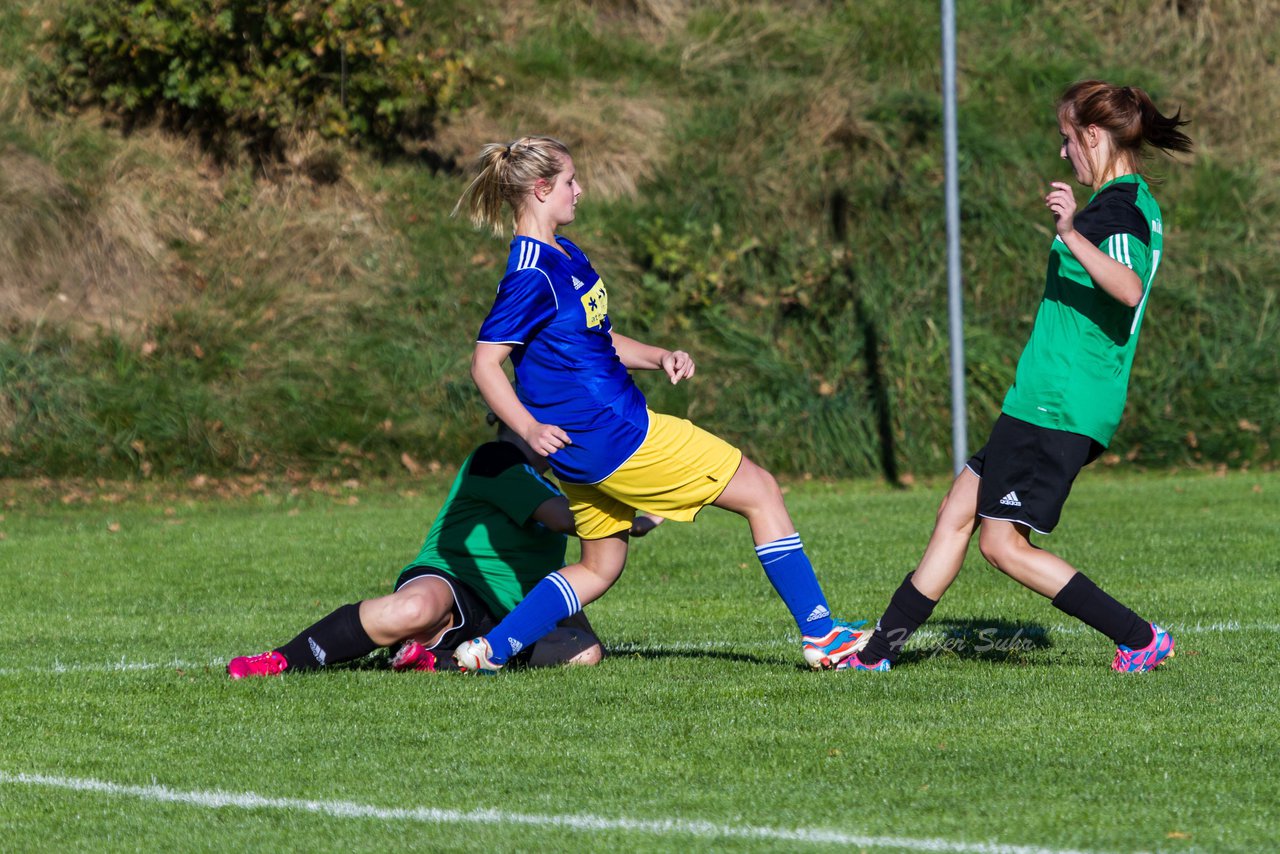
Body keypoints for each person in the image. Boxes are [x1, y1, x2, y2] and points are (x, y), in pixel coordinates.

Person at [447, 135, 866, 675]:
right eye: (571, 181)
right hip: (618, 434)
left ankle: (490, 650)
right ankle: (823, 636)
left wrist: (659, 355)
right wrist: (527, 428)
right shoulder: (532, 274)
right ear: (542, 188)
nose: (581, 190)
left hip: (584, 445)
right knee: (762, 491)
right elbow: (486, 362)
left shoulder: (565, 255)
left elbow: (597, 339)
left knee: (600, 567)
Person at [842, 80, 1192, 673]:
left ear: (1092, 135)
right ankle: (877, 654)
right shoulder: (1126, 204)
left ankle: (1139, 638)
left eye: (1066, 139)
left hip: (1061, 403)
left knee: (1000, 544)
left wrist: (1071, 234)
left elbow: (1128, 289)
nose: (1063, 153)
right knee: (956, 510)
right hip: (1042, 399)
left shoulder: (1120, 208)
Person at [226, 415, 614, 678]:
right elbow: (564, 519)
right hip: (451, 584)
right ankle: (282, 659)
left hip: (500, 619)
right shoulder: (495, 458)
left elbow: (563, 573)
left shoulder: (552, 486)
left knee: (583, 652)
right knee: (416, 608)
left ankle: (436, 661)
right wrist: (629, 510)